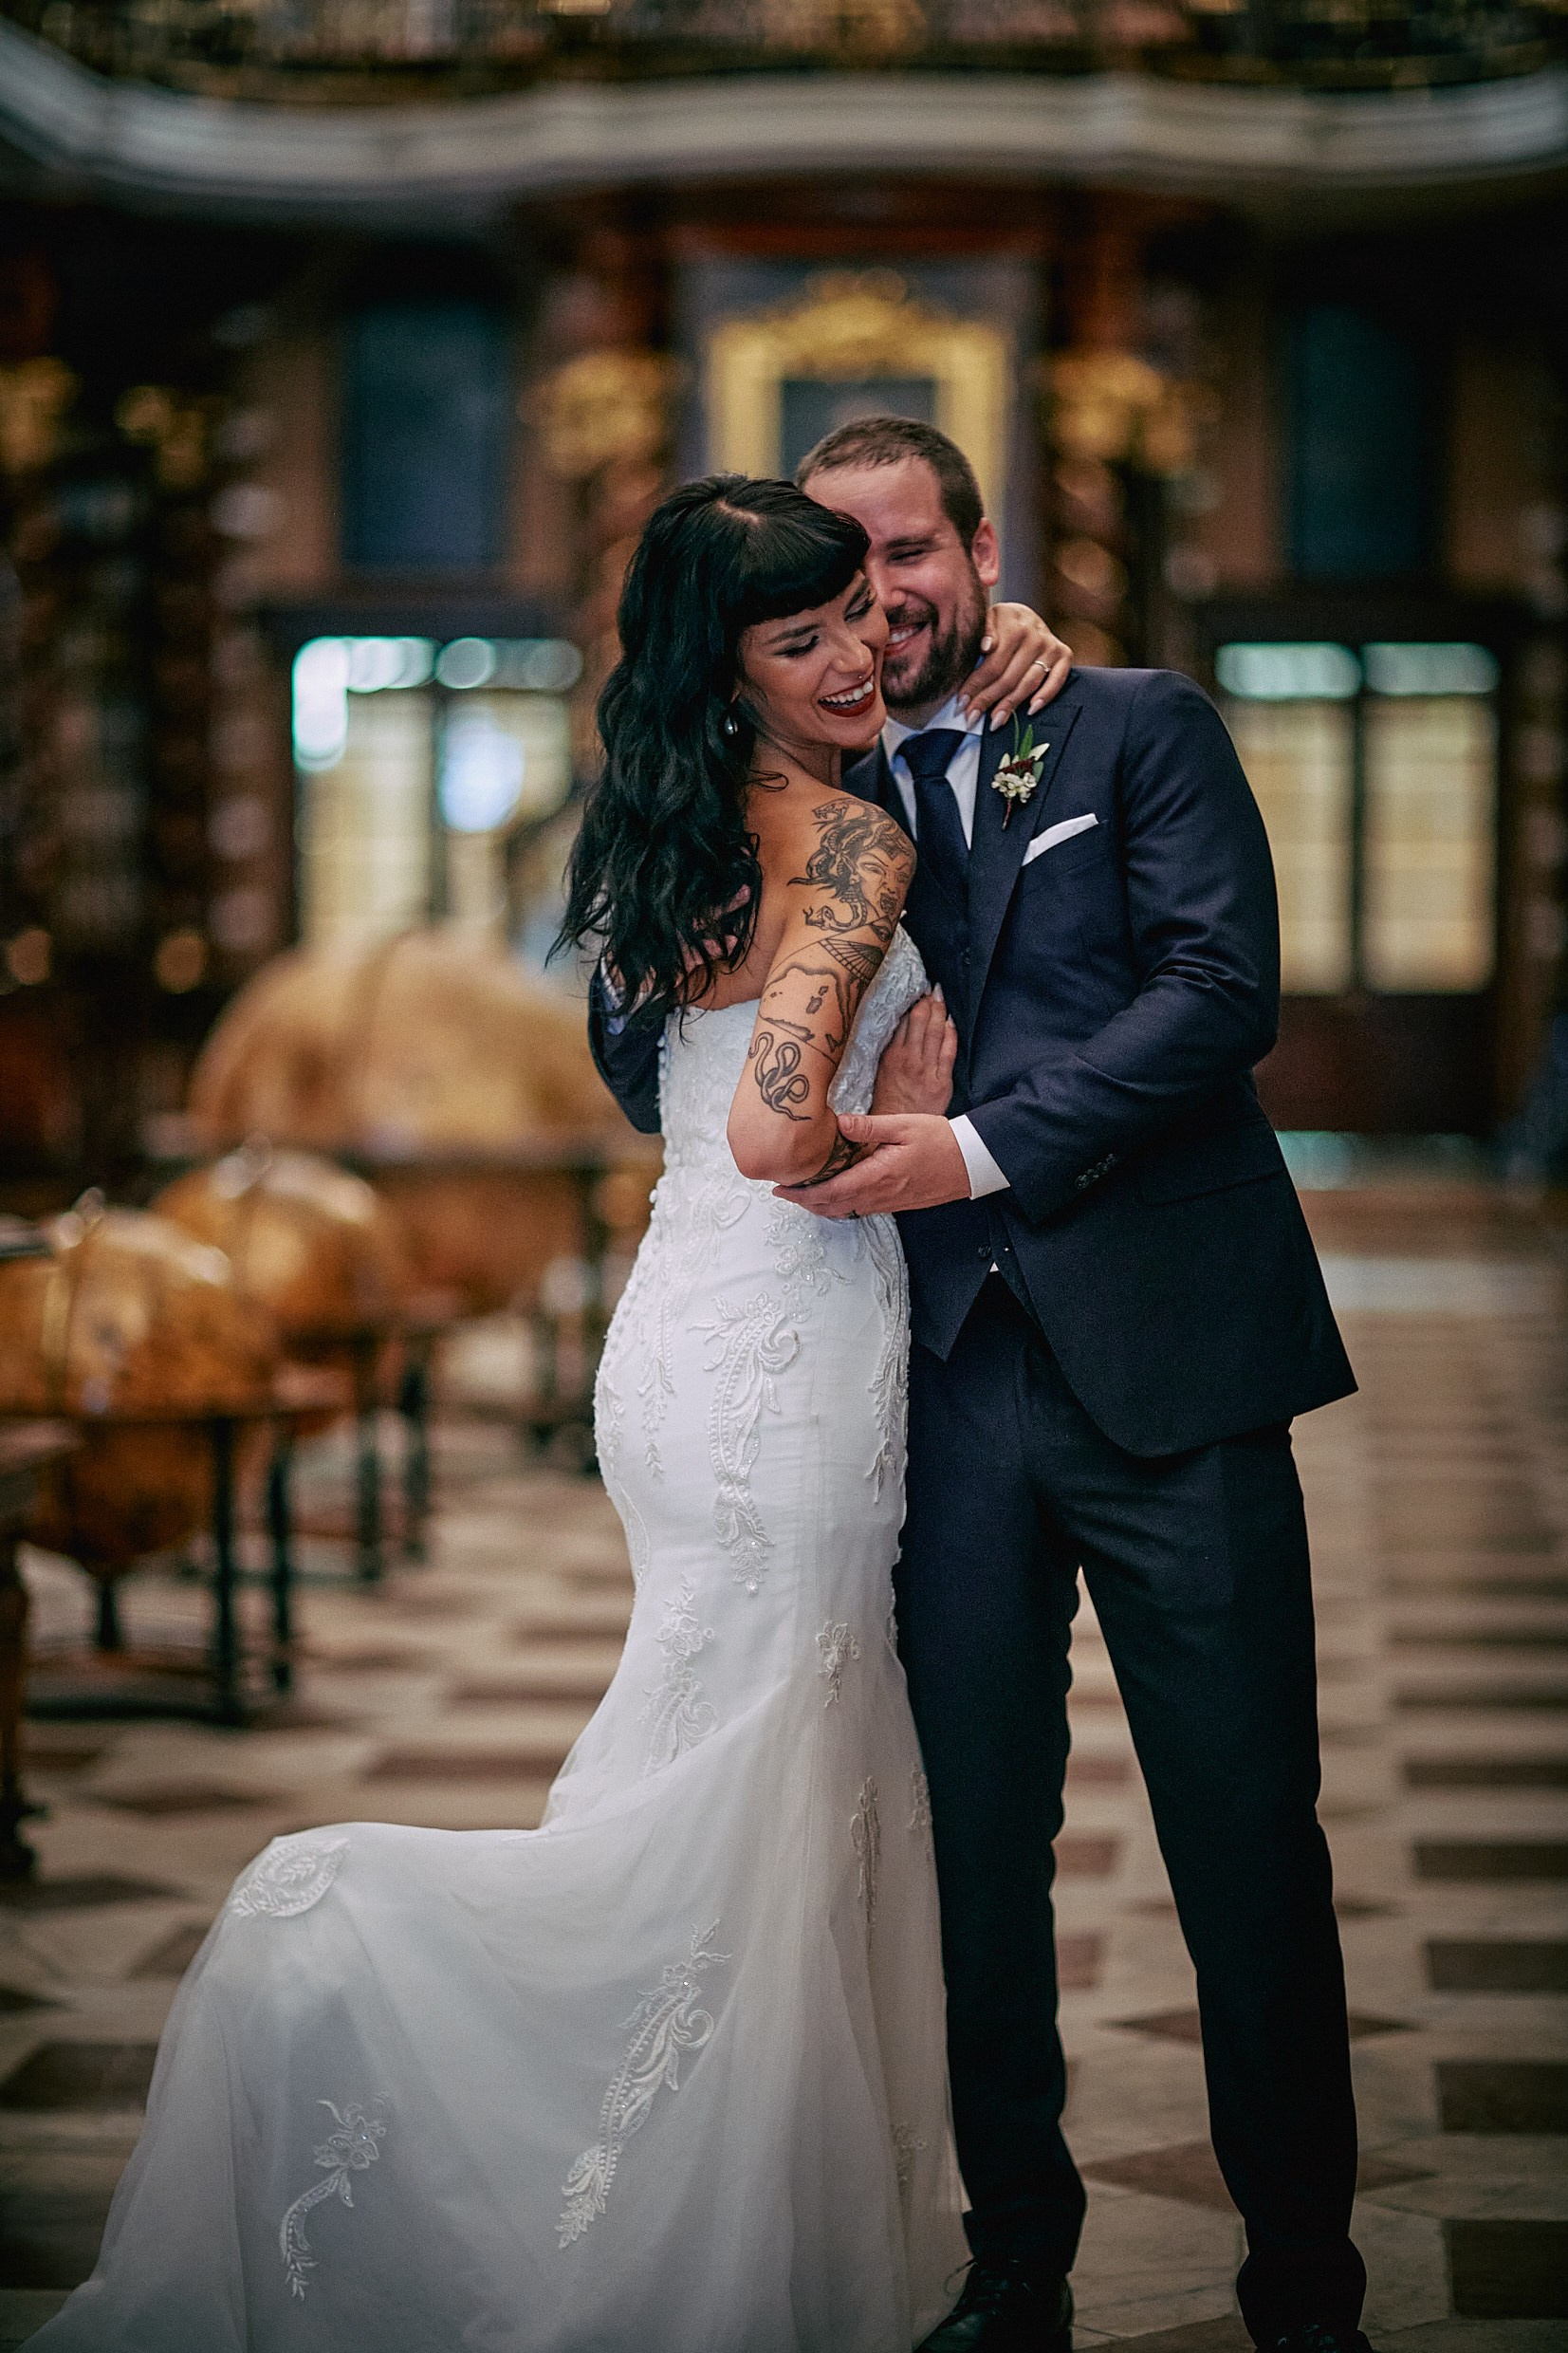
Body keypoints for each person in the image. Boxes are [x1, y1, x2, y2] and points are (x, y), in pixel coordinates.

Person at [29, 476, 1060, 2353]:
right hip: (780, 1351)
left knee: (721, 1760)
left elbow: (673, 1103)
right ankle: (357, 1970)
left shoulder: (656, 830)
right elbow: (765, 1130)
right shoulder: (841, 847)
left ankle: (723, 2232)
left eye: (856, 616)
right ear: (725, 667)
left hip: (677, 1341)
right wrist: (899, 1112)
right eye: (800, 635)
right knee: (758, 1775)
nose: (849, 656)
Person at [592, 419, 1369, 2353]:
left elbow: (1215, 992)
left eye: (907, 560)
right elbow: (647, 1049)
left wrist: (963, 1149)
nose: (879, 610)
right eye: (837, 584)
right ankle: (1012, 2262)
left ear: (975, 549)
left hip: (1169, 1362)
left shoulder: (1126, 729)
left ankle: (1303, 2286)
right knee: (965, 1849)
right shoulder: (798, 786)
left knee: (1244, 1834)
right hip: (922, 1388)